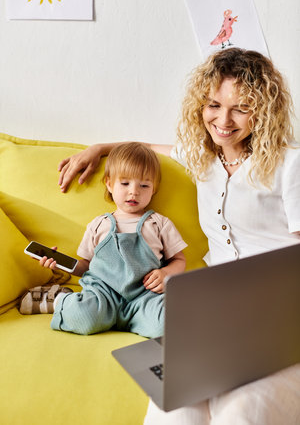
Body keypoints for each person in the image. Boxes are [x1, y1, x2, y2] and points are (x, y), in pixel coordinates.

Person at [57, 48, 300, 423]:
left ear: (264, 109)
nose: (223, 120)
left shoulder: (290, 164)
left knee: (239, 412)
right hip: (215, 317)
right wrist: (99, 148)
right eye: (213, 105)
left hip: (279, 319)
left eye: (241, 107)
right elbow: (148, 149)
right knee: (175, 410)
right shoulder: (202, 156)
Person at [20, 142, 187, 339]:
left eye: (144, 185)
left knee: (168, 324)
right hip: (103, 296)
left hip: (144, 298)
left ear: (154, 189)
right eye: (125, 184)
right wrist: (59, 264)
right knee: (83, 316)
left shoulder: (159, 223)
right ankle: (59, 300)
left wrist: (165, 272)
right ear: (109, 184)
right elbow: (85, 267)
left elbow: (179, 260)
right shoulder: (99, 225)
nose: (134, 192)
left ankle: (136, 320)